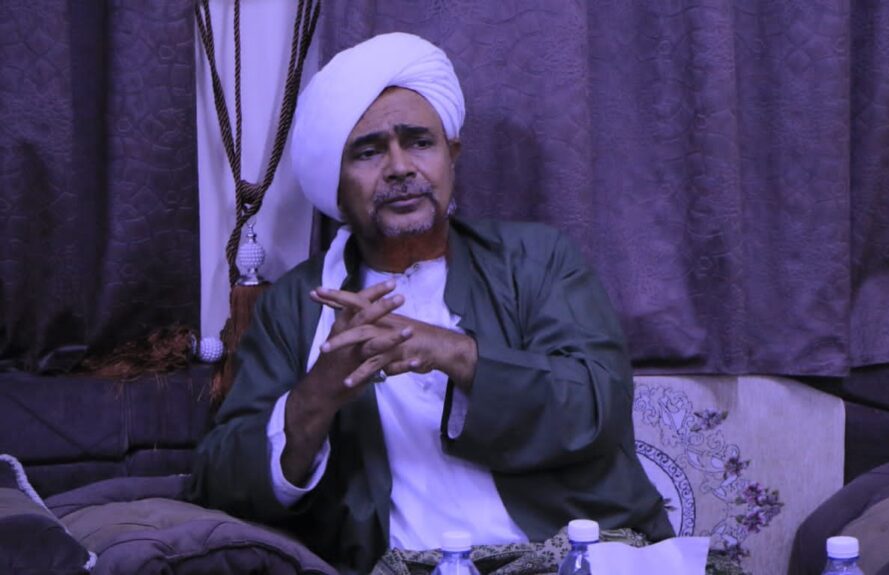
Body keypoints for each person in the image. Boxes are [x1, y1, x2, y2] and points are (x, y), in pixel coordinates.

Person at [188, 32, 671, 573]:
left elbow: (596, 408)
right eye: (368, 152)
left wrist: (450, 351)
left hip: (571, 558)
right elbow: (220, 482)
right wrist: (319, 392)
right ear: (336, 185)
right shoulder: (298, 308)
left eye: (419, 143)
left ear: (451, 157)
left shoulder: (536, 261)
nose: (399, 167)